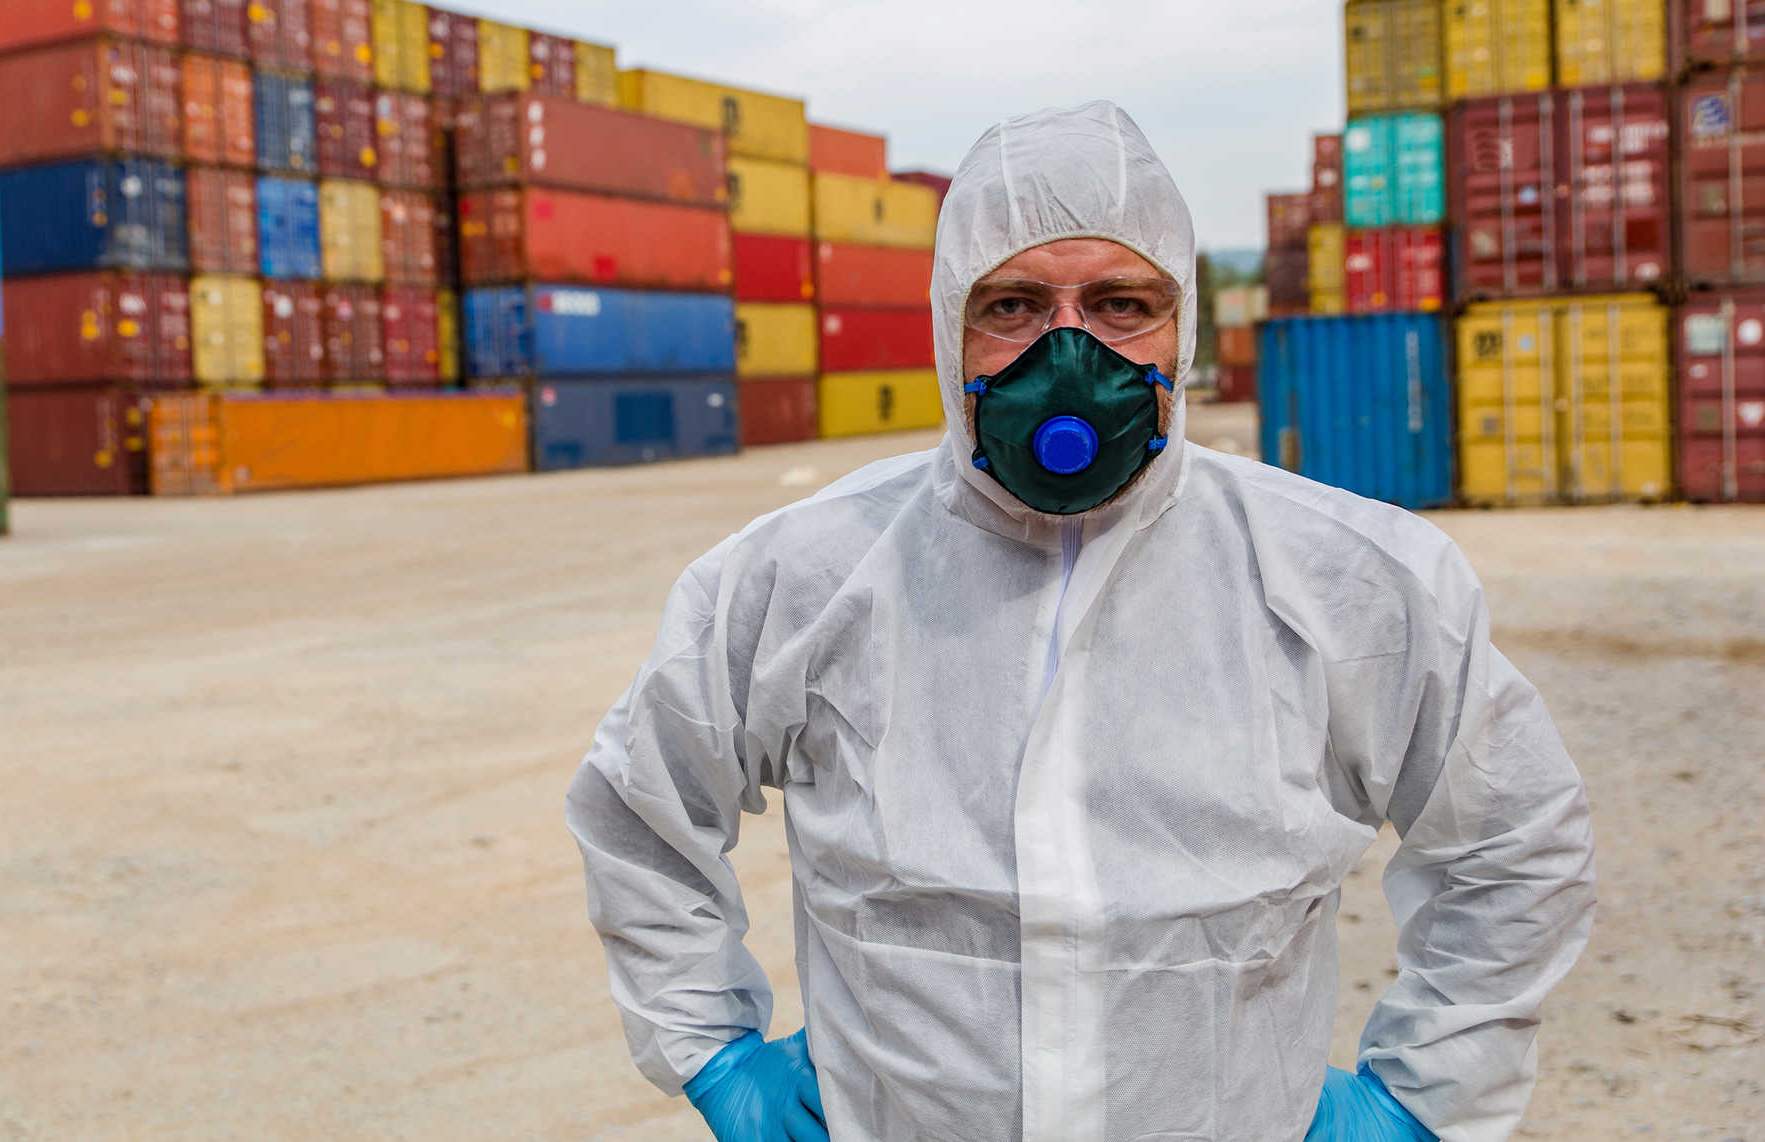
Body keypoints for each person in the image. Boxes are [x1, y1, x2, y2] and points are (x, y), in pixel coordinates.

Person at [566, 101, 1596, 1142]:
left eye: (1120, 303)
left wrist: (1419, 1096)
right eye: (1011, 305)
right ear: (949, 329)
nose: (1068, 355)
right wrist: (713, 1051)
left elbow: (1511, 839)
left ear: (1182, 326)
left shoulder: (1351, 576)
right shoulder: (801, 573)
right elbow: (639, 808)